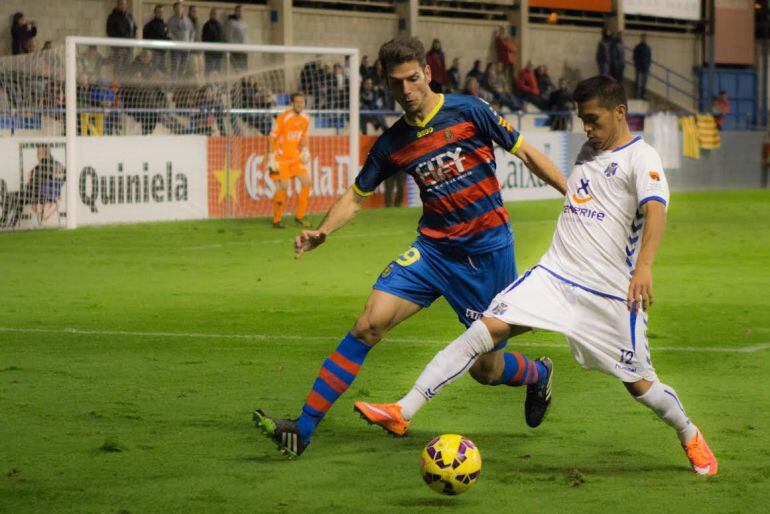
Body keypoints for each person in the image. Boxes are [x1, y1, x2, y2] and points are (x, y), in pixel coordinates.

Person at [355, 75, 718, 477]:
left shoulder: (642, 157)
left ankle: (688, 433)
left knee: (641, 386)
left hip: (608, 294)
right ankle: (404, 410)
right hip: (555, 276)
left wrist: (645, 266)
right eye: (583, 119)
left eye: (594, 119)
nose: (587, 128)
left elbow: (655, 210)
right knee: (483, 330)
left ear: (620, 113)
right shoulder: (587, 151)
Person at [253, 36, 567, 458]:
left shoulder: (470, 110)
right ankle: (303, 428)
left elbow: (526, 153)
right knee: (368, 324)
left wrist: (573, 193)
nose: (406, 91)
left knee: (486, 369)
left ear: (428, 73)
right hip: (433, 251)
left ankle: (536, 373)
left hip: (487, 255)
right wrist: (323, 231)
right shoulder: (392, 143)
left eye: (412, 79)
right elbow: (356, 194)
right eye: (396, 83)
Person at [267, 92, 312, 229]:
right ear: (292, 103)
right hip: (280, 159)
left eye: (302, 102)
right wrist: (271, 157)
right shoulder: (283, 118)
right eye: (297, 102)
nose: (300, 104)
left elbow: (303, 136)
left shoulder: (306, 118)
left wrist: (305, 150)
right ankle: (277, 219)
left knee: (306, 182)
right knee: (284, 186)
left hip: (295, 157)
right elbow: (272, 137)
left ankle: (299, 216)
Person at [106, 0, 137, 71]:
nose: (123, 6)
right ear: (117, 5)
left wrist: (133, 38)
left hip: (129, 47)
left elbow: (134, 29)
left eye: (124, 4)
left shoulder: (130, 17)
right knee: (118, 67)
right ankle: (117, 82)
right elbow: (110, 32)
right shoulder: (112, 17)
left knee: (128, 67)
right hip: (118, 48)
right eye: (121, 4)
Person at [167, 1, 194, 77]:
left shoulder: (187, 20)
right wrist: (178, 43)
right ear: (174, 9)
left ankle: (179, 86)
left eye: (180, 8)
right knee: (175, 67)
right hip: (176, 49)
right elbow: (170, 34)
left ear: (183, 9)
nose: (179, 10)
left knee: (183, 68)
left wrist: (190, 43)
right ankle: (174, 85)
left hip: (186, 49)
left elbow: (192, 32)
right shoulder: (171, 21)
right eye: (177, 8)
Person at [142, 5, 170, 73]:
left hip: (163, 52)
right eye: (158, 12)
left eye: (162, 12)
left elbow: (166, 37)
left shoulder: (165, 25)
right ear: (155, 13)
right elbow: (146, 39)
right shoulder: (149, 25)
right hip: (154, 52)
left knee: (163, 70)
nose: (160, 14)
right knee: (153, 70)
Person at [225, 5, 248, 70]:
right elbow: (228, 37)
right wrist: (233, 49)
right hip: (236, 51)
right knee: (238, 70)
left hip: (244, 51)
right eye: (238, 11)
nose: (240, 13)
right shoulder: (231, 23)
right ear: (235, 12)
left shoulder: (244, 23)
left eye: (241, 11)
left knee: (244, 70)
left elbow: (245, 36)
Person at [633, 34, 652, 100]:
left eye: (645, 38)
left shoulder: (648, 48)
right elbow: (635, 57)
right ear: (641, 38)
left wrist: (648, 66)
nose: (644, 39)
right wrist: (637, 65)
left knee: (644, 83)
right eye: (643, 38)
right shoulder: (638, 47)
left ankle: (643, 95)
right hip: (639, 68)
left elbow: (649, 58)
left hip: (645, 68)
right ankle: (638, 95)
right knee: (638, 83)